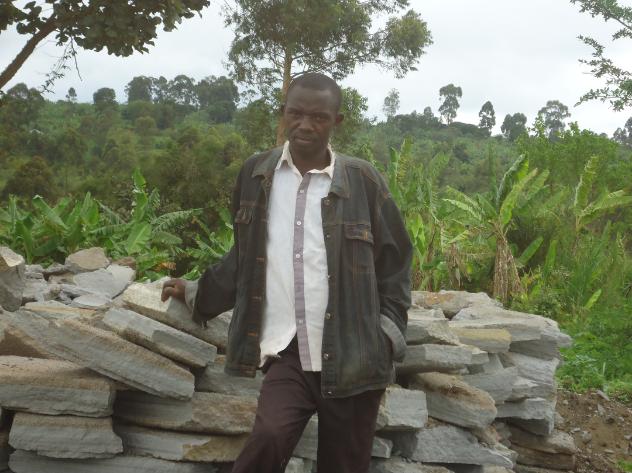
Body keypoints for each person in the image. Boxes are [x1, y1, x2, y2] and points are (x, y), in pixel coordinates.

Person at [161, 73, 412, 473]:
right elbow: (244, 257)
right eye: (296, 113)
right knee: (269, 436)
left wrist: (385, 333)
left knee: (344, 466)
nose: (305, 125)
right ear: (283, 113)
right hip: (288, 351)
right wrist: (196, 294)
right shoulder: (256, 174)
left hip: (354, 355)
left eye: (319, 117)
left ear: (336, 121)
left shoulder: (362, 181)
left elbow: (395, 261)